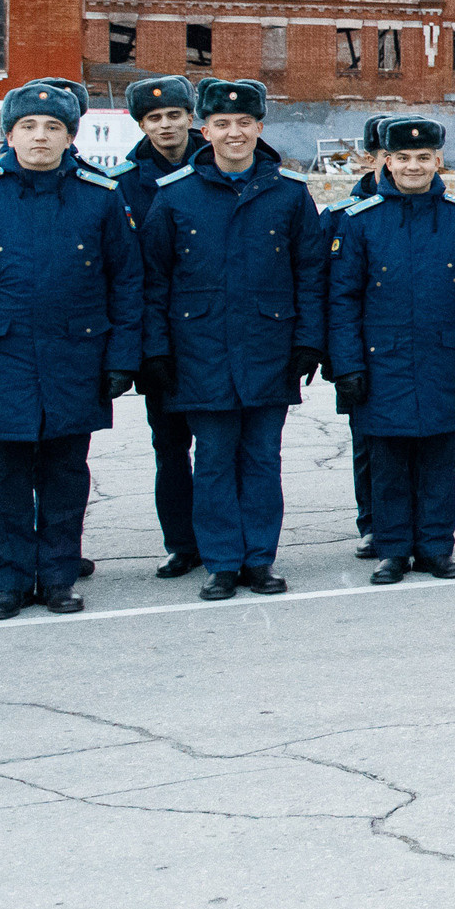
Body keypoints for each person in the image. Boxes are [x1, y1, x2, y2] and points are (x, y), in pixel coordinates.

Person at [0, 83, 140, 619]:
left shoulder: (100, 194)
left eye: (53, 127)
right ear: (10, 134)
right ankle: (9, 581)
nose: (40, 137)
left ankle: (59, 578)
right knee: (2, 478)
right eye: (29, 126)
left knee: (65, 476)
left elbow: (126, 283)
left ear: (71, 137)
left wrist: (120, 359)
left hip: (77, 358)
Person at [139, 79, 324, 600]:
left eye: (245, 123)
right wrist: (155, 350)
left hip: (269, 348)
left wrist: (308, 341)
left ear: (260, 128)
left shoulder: (288, 193)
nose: (234, 133)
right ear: (205, 130)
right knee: (215, 459)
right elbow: (153, 280)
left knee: (263, 458)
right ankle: (222, 561)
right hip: (199, 352)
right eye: (222, 124)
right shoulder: (175, 196)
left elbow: (310, 272)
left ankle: (260, 559)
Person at [327, 117, 455, 584]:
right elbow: (342, 300)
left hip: (445, 359)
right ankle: (393, 550)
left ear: (439, 160)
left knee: (440, 462)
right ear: (385, 161)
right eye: (402, 158)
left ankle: (436, 548)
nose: (413, 166)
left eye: (423, 158)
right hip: (381, 362)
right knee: (387, 463)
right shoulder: (360, 222)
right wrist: (347, 364)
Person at [102, 74, 206, 578]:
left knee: (219, 446)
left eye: (174, 115)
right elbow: (123, 272)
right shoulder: (122, 184)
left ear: (191, 117)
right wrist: (143, 348)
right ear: (140, 123)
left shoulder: (218, 166)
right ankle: (182, 544)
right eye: (154, 118)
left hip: (213, 334)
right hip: (159, 336)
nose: (166, 126)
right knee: (170, 447)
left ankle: (220, 539)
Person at [317, 114, 395, 559]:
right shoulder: (342, 216)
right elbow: (331, 291)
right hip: (358, 350)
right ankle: (371, 521)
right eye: (388, 155)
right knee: (366, 442)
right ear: (373, 157)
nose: (396, 164)